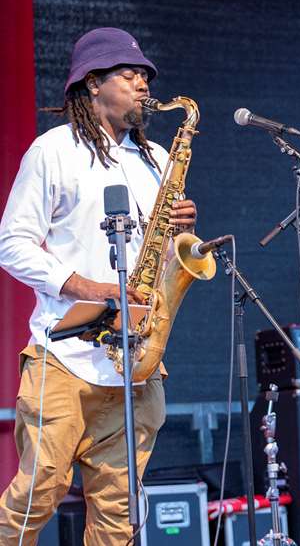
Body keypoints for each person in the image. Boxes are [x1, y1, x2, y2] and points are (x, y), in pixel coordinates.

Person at [0, 27, 198, 544]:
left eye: (145, 75)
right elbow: (12, 244)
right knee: (36, 495)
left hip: (134, 364)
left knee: (118, 514)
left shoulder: (155, 157)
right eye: (129, 73)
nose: (142, 83)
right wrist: (93, 287)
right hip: (63, 358)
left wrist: (183, 230)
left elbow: (157, 254)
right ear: (92, 82)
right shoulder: (53, 151)